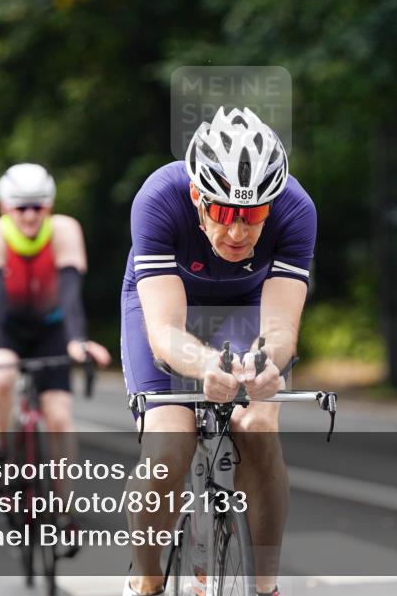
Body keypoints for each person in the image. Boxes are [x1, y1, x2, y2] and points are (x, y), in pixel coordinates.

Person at [121, 107, 316, 596]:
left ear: (271, 205)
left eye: (251, 216)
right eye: (225, 213)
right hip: (169, 304)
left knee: (259, 425)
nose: (236, 232)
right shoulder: (159, 199)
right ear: (197, 196)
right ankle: (145, 581)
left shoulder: (297, 209)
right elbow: (164, 332)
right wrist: (206, 364)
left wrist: (269, 364)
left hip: (247, 304)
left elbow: (280, 328)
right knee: (167, 447)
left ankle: (265, 586)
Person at [0, 163, 111, 538]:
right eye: (21, 207)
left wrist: (78, 340)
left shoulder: (64, 230)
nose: (30, 215)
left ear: (49, 206)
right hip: (6, 326)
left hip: (51, 326)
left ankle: (62, 510)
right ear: (5, 207)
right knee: (1, 374)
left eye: (37, 206)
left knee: (60, 416)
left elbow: (70, 293)